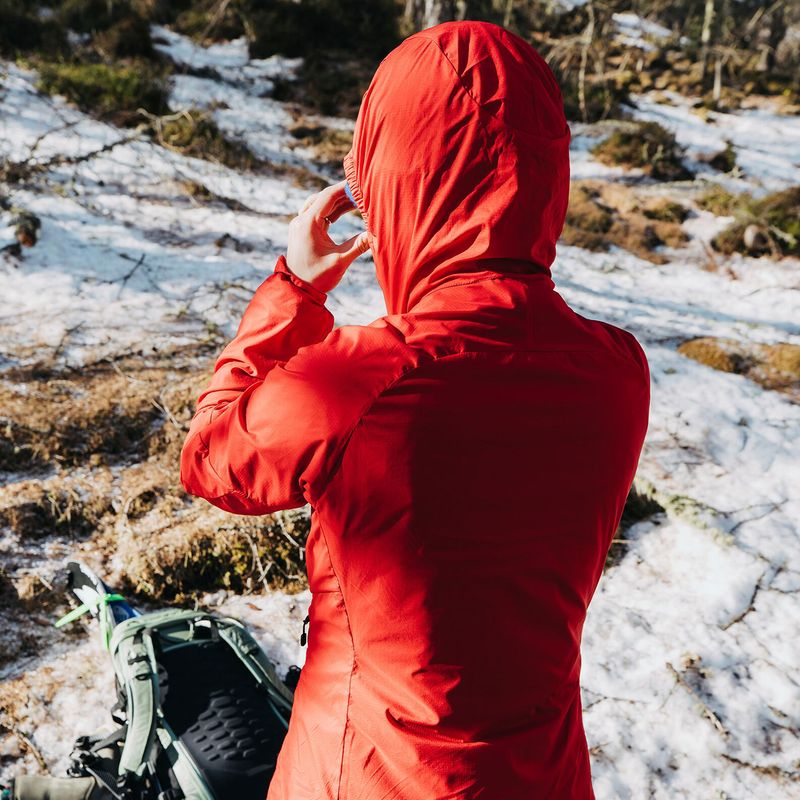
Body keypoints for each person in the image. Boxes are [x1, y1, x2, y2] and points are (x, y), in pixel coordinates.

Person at [180, 18, 650, 800]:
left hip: (362, 775)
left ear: (401, 179)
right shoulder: (617, 370)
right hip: (544, 776)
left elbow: (210, 460)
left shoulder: (362, 377)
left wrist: (293, 292)